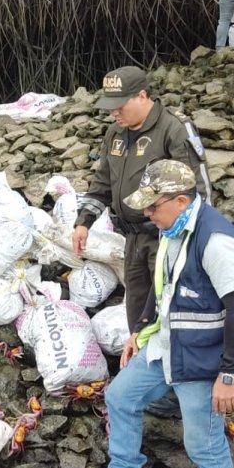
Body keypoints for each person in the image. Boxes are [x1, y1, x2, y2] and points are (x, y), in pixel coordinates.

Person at [77, 160, 234, 468]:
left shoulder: (216, 240)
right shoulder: (173, 229)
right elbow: (165, 292)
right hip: (166, 346)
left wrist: (229, 374)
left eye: (153, 206)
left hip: (203, 360)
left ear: (180, 200)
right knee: (120, 396)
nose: (147, 214)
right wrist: (140, 334)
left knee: (204, 444)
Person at [73, 66, 204, 335]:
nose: (114, 113)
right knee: (137, 311)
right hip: (131, 240)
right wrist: (83, 221)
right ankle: (141, 361)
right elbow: (102, 185)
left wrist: (190, 241)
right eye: (110, 107)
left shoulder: (173, 129)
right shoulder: (114, 135)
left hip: (166, 238)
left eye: (120, 106)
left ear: (142, 96)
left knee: (170, 307)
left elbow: (197, 189)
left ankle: (174, 365)